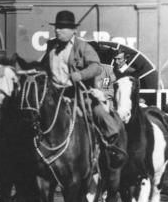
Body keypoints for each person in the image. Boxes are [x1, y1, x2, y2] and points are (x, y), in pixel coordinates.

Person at [17, 10, 123, 148]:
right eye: (56, 27)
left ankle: (111, 143)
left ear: (73, 30)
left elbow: (96, 67)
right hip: (52, 95)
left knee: (97, 111)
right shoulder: (51, 47)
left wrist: (80, 75)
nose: (57, 30)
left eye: (62, 27)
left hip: (75, 95)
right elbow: (44, 67)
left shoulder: (83, 47)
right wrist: (33, 70)